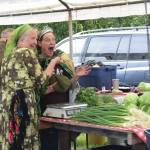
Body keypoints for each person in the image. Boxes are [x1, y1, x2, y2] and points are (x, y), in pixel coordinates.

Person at [0, 24, 61, 150]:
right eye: (32, 38)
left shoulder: (8, 56)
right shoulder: (26, 52)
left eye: (36, 39)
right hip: (22, 105)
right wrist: (53, 62)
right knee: (25, 140)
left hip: (7, 105)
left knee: (13, 139)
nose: (35, 42)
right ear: (21, 40)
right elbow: (41, 80)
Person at [37, 27, 91, 150]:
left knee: (61, 144)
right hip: (45, 116)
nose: (51, 42)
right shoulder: (36, 63)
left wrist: (76, 76)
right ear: (39, 43)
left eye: (53, 40)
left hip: (61, 115)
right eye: (47, 40)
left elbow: (67, 85)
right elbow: (36, 89)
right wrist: (52, 88)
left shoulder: (61, 62)